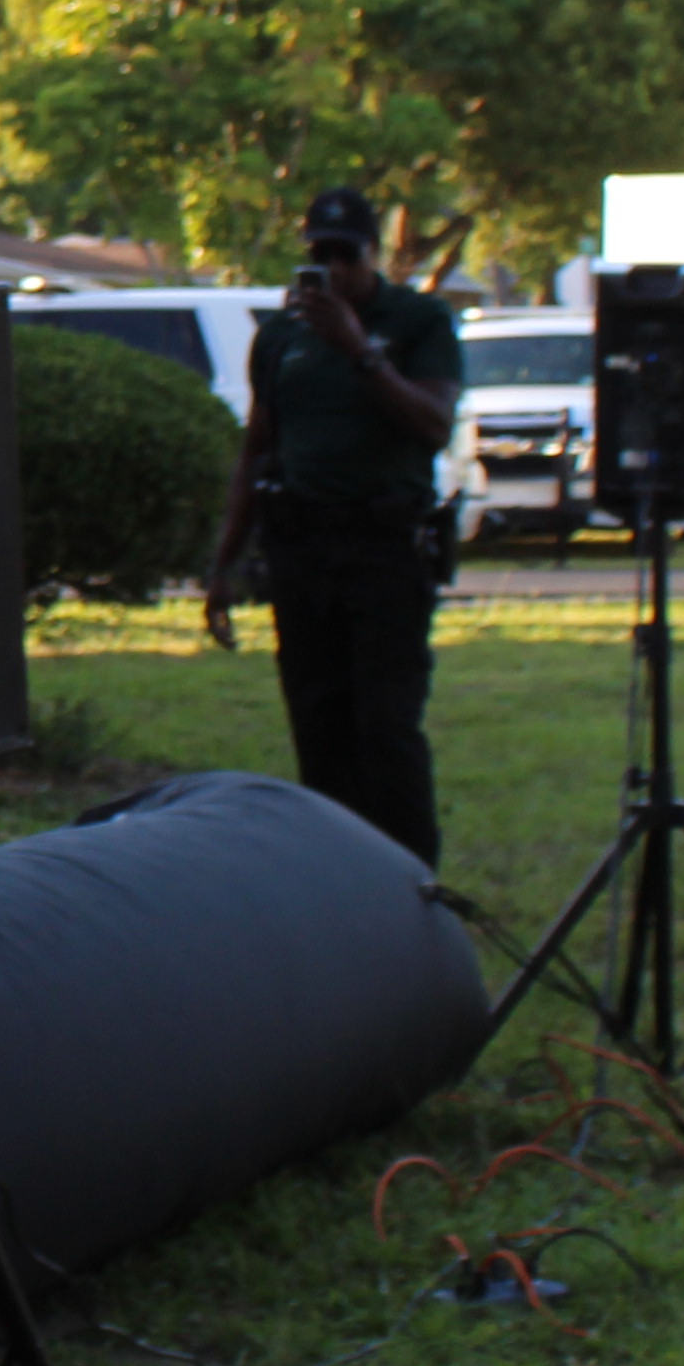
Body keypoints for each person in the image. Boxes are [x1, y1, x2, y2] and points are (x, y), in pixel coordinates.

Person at [205, 185, 466, 869]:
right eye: (320, 256)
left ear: (373, 254)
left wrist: (359, 349)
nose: (333, 270)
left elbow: (433, 423)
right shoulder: (282, 336)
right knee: (318, 724)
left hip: (384, 548)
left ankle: (411, 880)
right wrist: (224, 562)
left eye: (346, 256)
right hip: (302, 548)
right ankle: (334, 876)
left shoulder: (417, 321)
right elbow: (257, 447)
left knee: (386, 725)